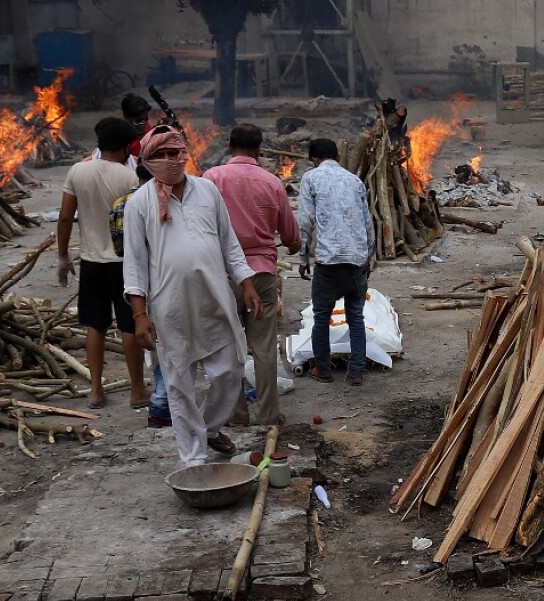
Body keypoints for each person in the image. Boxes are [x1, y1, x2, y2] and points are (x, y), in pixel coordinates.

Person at [122, 126, 262, 466]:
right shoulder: (139, 203)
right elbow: (135, 263)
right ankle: (193, 458)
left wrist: (246, 282)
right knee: (179, 384)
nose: (170, 160)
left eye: (175, 153)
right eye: (161, 155)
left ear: (184, 154)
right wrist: (140, 316)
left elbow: (229, 242)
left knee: (231, 370)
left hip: (215, 300)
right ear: (148, 160)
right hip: (171, 308)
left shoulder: (207, 190)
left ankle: (209, 428)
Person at [203, 124, 301, 427]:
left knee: (228, 347)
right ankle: (268, 414)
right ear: (259, 150)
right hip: (261, 274)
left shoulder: (211, 179)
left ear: (230, 146)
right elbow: (292, 237)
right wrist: (291, 244)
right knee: (264, 347)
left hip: (222, 275)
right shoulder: (272, 182)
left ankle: (235, 414)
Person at [56, 116, 147, 410]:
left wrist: (62, 256)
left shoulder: (77, 171)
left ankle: (96, 390)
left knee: (95, 326)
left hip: (91, 261)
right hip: (123, 262)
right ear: (124, 149)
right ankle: (136, 391)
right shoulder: (129, 178)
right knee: (130, 326)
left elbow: (66, 216)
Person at [296, 138, 374, 386]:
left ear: (314, 159)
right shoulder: (354, 180)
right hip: (356, 260)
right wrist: (369, 256)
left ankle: (323, 369)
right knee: (356, 317)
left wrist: (302, 256)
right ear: (336, 156)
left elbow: (305, 221)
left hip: (328, 262)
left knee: (321, 317)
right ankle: (356, 372)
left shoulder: (311, 178)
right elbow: (367, 221)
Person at [107, 165, 171, 429]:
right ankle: (160, 403)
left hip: (129, 274)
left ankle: (158, 400)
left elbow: (120, 247)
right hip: (160, 278)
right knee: (168, 344)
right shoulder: (162, 201)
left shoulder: (120, 204)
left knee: (153, 341)